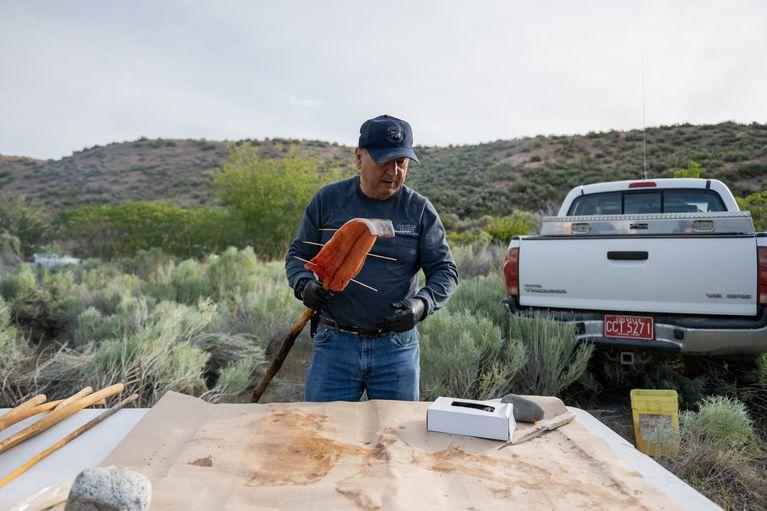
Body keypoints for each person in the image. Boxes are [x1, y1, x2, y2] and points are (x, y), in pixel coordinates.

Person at [285, 114, 458, 402]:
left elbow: (445, 271)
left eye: (401, 163)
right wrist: (304, 285)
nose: (393, 171)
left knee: (395, 438)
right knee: (324, 437)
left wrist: (420, 306)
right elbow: (298, 255)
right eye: (384, 161)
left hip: (396, 349)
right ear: (358, 157)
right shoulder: (328, 200)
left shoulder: (418, 210)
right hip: (335, 345)